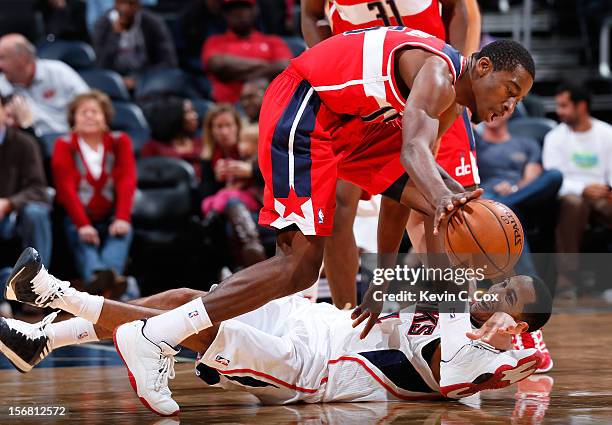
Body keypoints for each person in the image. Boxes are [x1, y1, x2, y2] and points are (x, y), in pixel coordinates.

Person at [10, 29, 536, 415]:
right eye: (510, 89)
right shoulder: (441, 73)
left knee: (227, 290)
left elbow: (402, 182)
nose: (510, 106)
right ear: (482, 68)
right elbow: (413, 150)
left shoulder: (445, 106)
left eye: (521, 101)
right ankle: (148, 336)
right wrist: (446, 197)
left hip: (341, 130)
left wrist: (386, 274)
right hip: (306, 110)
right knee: (298, 267)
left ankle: (46, 336)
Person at [2, 249, 550, 409]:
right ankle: (44, 338)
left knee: (185, 328)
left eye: (509, 299)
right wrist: (396, 280)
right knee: (189, 300)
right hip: (313, 319)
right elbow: (387, 280)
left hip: (312, 370)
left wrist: (505, 345)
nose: (495, 293)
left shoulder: (485, 356)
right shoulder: (450, 290)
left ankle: (55, 295)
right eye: (503, 284)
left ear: (517, 322)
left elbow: (452, 378)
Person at [301, 0, 482, 309]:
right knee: (338, 205)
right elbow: (310, 14)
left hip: (435, 87)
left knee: (450, 206)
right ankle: (346, 322)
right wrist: (326, 70)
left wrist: (457, 81)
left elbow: (464, 10)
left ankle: (456, 322)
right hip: (364, 89)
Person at [51, 91, 136, 296]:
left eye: (95, 112)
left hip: (110, 214)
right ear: (74, 119)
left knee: (123, 232)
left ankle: (102, 282)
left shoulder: (120, 141)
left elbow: (127, 180)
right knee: (82, 239)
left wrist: (122, 217)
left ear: (105, 118)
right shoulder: (64, 145)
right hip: (78, 217)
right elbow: (66, 189)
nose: (89, 116)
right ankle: (112, 286)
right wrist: (83, 225)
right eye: (83, 112)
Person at [542, 83, 612, 298]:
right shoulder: (554, 137)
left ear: (581, 106)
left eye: (564, 105)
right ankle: (567, 280)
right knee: (574, 204)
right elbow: (553, 178)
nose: (559, 111)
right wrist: (583, 188)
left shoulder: (607, 133)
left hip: (603, 194)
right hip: (569, 194)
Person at [200, 104, 267, 268]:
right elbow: (205, 194)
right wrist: (217, 180)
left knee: (231, 205)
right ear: (211, 130)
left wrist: (251, 171)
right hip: (228, 213)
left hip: (258, 203)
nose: (224, 131)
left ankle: (252, 256)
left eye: (229, 125)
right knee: (225, 211)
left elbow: (277, 174)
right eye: (219, 126)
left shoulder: (251, 147)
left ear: (238, 126)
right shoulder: (208, 158)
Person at [201, 0, 292, 103]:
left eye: (244, 7)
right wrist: (264, 65)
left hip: (269, 103)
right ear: (225, 14)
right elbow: (217, 65)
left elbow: (284, 67)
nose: (239, 13)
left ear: (254, 10)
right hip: (228, 108)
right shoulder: (214, 41)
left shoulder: (272, 41)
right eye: (232, 9)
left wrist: (234, 73)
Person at [0, 33, 89, 136]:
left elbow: (89, 104)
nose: (0, 65)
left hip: (70, 139)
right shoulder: (1, 86)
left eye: (2, 58)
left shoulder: (59, 72)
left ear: (22, 58)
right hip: (31, 144)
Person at [0, 96, 52, 270]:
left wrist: (8, 203)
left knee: (36, 212)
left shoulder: (25, 143)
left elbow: (38, 189)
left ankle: (39, 280)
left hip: (15, 214)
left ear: (4, 111)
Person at [92, 0, 177, 91]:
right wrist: (115, 35)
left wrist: (140, 79)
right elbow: (100, 64)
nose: (125, 8)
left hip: (147, 77)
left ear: (139, 5)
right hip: (114, 79)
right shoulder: (103, 24)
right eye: (122, 3)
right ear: (115, 4)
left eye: (131, 3)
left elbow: (169, 61)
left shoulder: (153, 22)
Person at [141, 96, 203, 179]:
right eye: (188, 112)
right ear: (173, 116)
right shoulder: (152, 148)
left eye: (193, 111)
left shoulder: (202, 143)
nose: (195, 116)